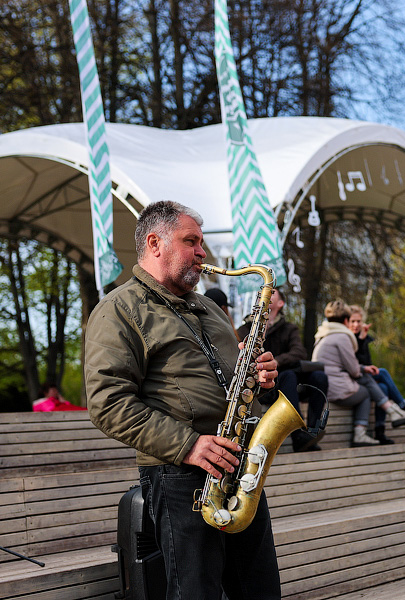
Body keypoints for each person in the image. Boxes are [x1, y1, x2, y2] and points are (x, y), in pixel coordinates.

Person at [84, 201, 281, 600]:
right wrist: (189, 445)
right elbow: (107, 403)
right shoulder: (117, 310)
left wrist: (262, 383)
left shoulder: (208, 307)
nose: (203, 252)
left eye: (202, 242)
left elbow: (232, 387)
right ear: (155, 243)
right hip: (180, 476)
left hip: (239, 469)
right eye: (191, 241)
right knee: (196, 592)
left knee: (261, 591)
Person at [312, 300, 405, 447]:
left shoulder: (323, 335)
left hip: (325, 386)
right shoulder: (342, 337)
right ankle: (392, 412)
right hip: (334, 388)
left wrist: (364, 368)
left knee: (367, 384)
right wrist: (362, 370)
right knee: (366, 386)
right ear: (346, 320)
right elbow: (354, 371)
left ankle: (370, 428)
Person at [237, 287, 328, 452]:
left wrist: (276, 361)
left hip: (287, 382)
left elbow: (299, 352)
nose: (266, 296)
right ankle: (298, 436)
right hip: (262, 386)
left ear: (281, 303)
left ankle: (311, 433)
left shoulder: (289, 328)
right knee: (288, 376)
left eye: (272, 294)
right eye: (263, 295)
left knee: (319, 377)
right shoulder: (245, 329)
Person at [347, 304, 405, 444]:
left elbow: (366, 362)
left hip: (363, 377)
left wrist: (363, 338)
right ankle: (403, 406)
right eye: (352, 321)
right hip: (352, 378)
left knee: (383, 389)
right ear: (346, 321)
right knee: (383, 372)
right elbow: (353, 363)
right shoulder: (346, 338)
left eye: (358, 321)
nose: (356, 324)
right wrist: (361, 339)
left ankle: (380, 432)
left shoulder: (362, 338)